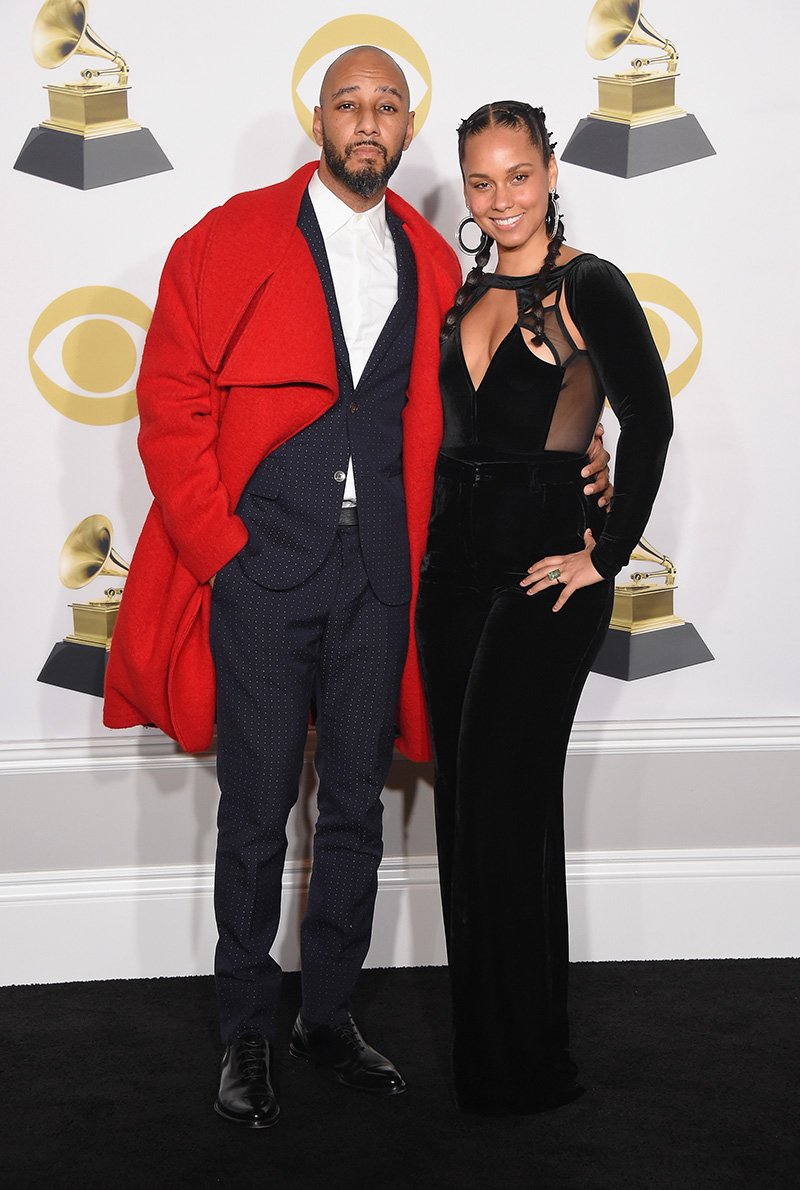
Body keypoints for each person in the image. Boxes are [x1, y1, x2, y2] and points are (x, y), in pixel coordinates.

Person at [103, 52, 611, 1128]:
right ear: (317, 116)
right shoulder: (225, 238)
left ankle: (325, 1014)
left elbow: (504, 392)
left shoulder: (436, 257)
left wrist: (589, 447)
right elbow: (169, 395)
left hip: (383, 571)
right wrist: (218, 545)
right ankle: (246, 1025)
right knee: (251, 811)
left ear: (406, 122)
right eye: (348, 104)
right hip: (262, 565)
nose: (366, 121)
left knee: (351, 814)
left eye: (386, 106)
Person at [415, 100, 673, 1116]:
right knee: (466, 812)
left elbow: (646, 420)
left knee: (503, 804)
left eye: (517, 175)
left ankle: (527, 1062)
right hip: (449, 581)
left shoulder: (589, 286)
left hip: (540, 578)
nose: (500, 199)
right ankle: (491, 1050)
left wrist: (599, 554)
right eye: (480, 181)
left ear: (550, 169)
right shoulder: (461, 291)